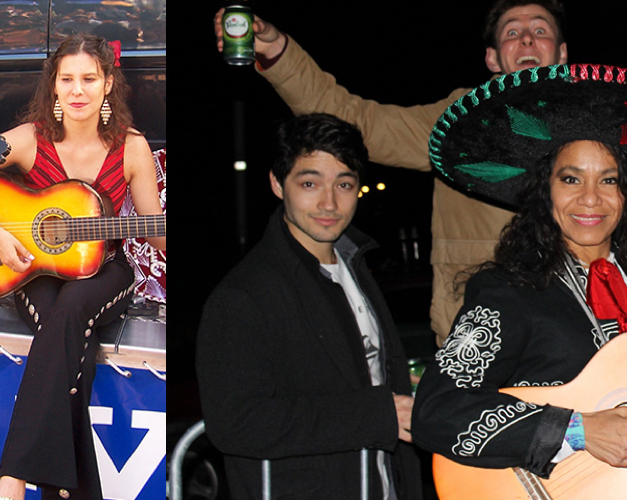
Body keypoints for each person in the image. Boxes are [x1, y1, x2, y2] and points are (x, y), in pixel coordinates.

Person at [410, 64, 627, 499]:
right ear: (545, 191)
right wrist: (577, 430)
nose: (590, 199)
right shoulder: (509, 291)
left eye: (609, 180)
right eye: (571, 179)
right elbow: (437, 410)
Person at [214, 0, 570, 345]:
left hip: (580, 333)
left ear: (562, 52)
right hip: (480, 339)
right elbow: (359, 122)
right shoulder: (458, 122)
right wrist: (279, 53)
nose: (526, 39)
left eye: (539, 30)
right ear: (492, 58)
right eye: (512, 32)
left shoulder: (605, 121)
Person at [195, 114, 422, 499]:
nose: (329, 202)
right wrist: (378, 415)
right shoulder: (244, 294)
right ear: (277, 184)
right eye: (310, 183)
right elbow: (235, 422)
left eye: (344, 184)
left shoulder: (355, 266)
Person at [0, 34, 165, 500]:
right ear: (53, 87)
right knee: (69, 342)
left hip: (105, 269)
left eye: (89, 79)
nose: (77, 90)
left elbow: (154, 229)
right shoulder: (28, 139)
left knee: (68, 316)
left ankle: (11, 477)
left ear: (108, 83)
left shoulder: (132, 148)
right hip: (36, 269)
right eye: (66, 79)